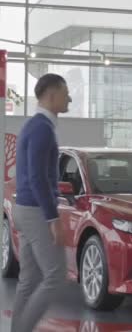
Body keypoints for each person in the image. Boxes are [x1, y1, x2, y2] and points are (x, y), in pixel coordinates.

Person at [11, 74, 71, 332]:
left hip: (23, 209)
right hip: (36, 212)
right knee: (56, 275)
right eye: (65, 92)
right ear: (51, 95)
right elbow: (37, 178)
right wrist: (53, 219)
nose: (69, 98)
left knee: (29, 280)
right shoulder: (42, 129)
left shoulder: (32, 126)